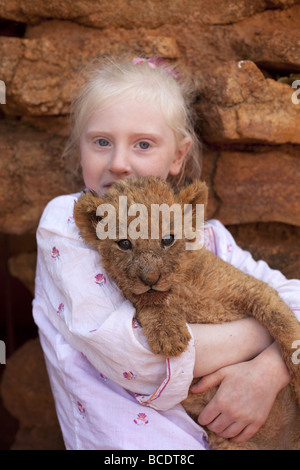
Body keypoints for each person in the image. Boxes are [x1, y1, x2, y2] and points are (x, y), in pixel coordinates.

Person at [33, 56, 300, 450]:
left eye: (143, 144)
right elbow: (138, 356)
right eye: (101, 141)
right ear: (81, 148)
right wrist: (268, 328)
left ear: (178, 156)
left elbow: (295, 297)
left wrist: (271, 369)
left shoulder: (204, 235)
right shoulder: (68, 225)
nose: (120, 163)